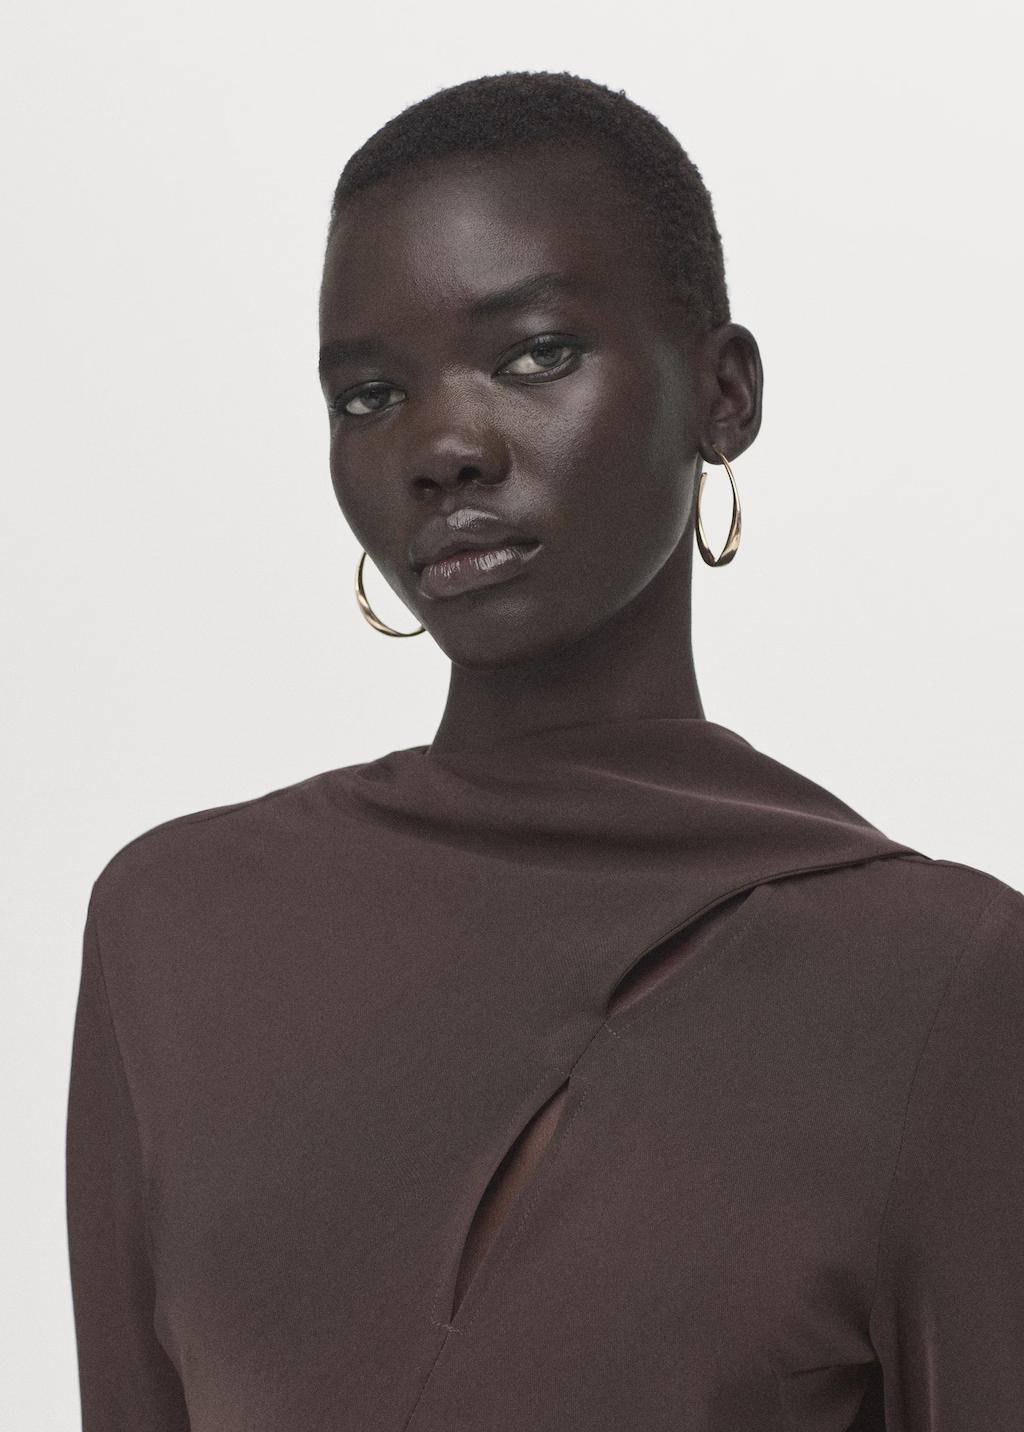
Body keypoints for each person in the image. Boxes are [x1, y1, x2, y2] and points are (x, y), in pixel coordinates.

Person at [65, 71, 1024, 1432]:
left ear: (724, 395)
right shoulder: (172, 931)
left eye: (533, 357)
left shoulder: (943, 984)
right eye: (369, 395)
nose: (442, 447)